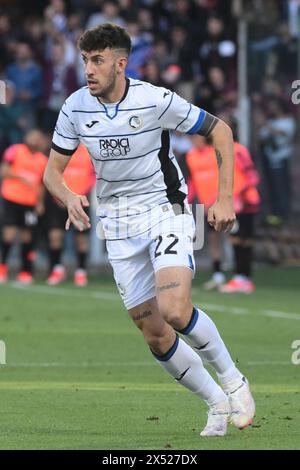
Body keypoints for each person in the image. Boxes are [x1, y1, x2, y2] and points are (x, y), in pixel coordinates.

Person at [43, 23, 255, 437]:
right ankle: (215, 402)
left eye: (98, 60)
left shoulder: (154, 99)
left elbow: (221, 131)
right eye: (86, 59)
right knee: (154, 333)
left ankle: (233, 381)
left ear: (121, 64)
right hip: (117, 225)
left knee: (175, 310)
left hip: (166, 210)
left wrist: (225, 198)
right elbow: (53, 170)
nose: (89, 68)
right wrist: (67, 196)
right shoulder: (74, 107)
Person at [187, 135, 260, 293]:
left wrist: (233, 197)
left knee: (240, 239)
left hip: (242, 202)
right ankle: (227, 276)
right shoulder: (196, 154)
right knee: (224, 238)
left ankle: (243, 278)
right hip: (216, 204)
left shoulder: (237, 150)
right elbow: (195, 180)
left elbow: (251, 177)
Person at [0, 129, 48, 284]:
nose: (34, 140)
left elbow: (41, 185)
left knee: (27, 236)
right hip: (12, 199)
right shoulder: (15, 151)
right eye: (32, 136)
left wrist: (40, 203)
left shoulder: (43, 160)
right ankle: (3, 268)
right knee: (9, 234)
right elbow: (4, 171)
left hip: (30, 203)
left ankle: (26, 271)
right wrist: (21, 177)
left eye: (37, 138)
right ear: (26, 137)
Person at [46, 143, 95, 286]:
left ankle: (81, 272)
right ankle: (57, 269)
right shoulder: (60, 149)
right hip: (59, 201)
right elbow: (52, 172)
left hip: (80, 201)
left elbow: (92, 176)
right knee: (55, 235)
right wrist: (61, 196)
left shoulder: (88, 151)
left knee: (81, 238)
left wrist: (81, 195)